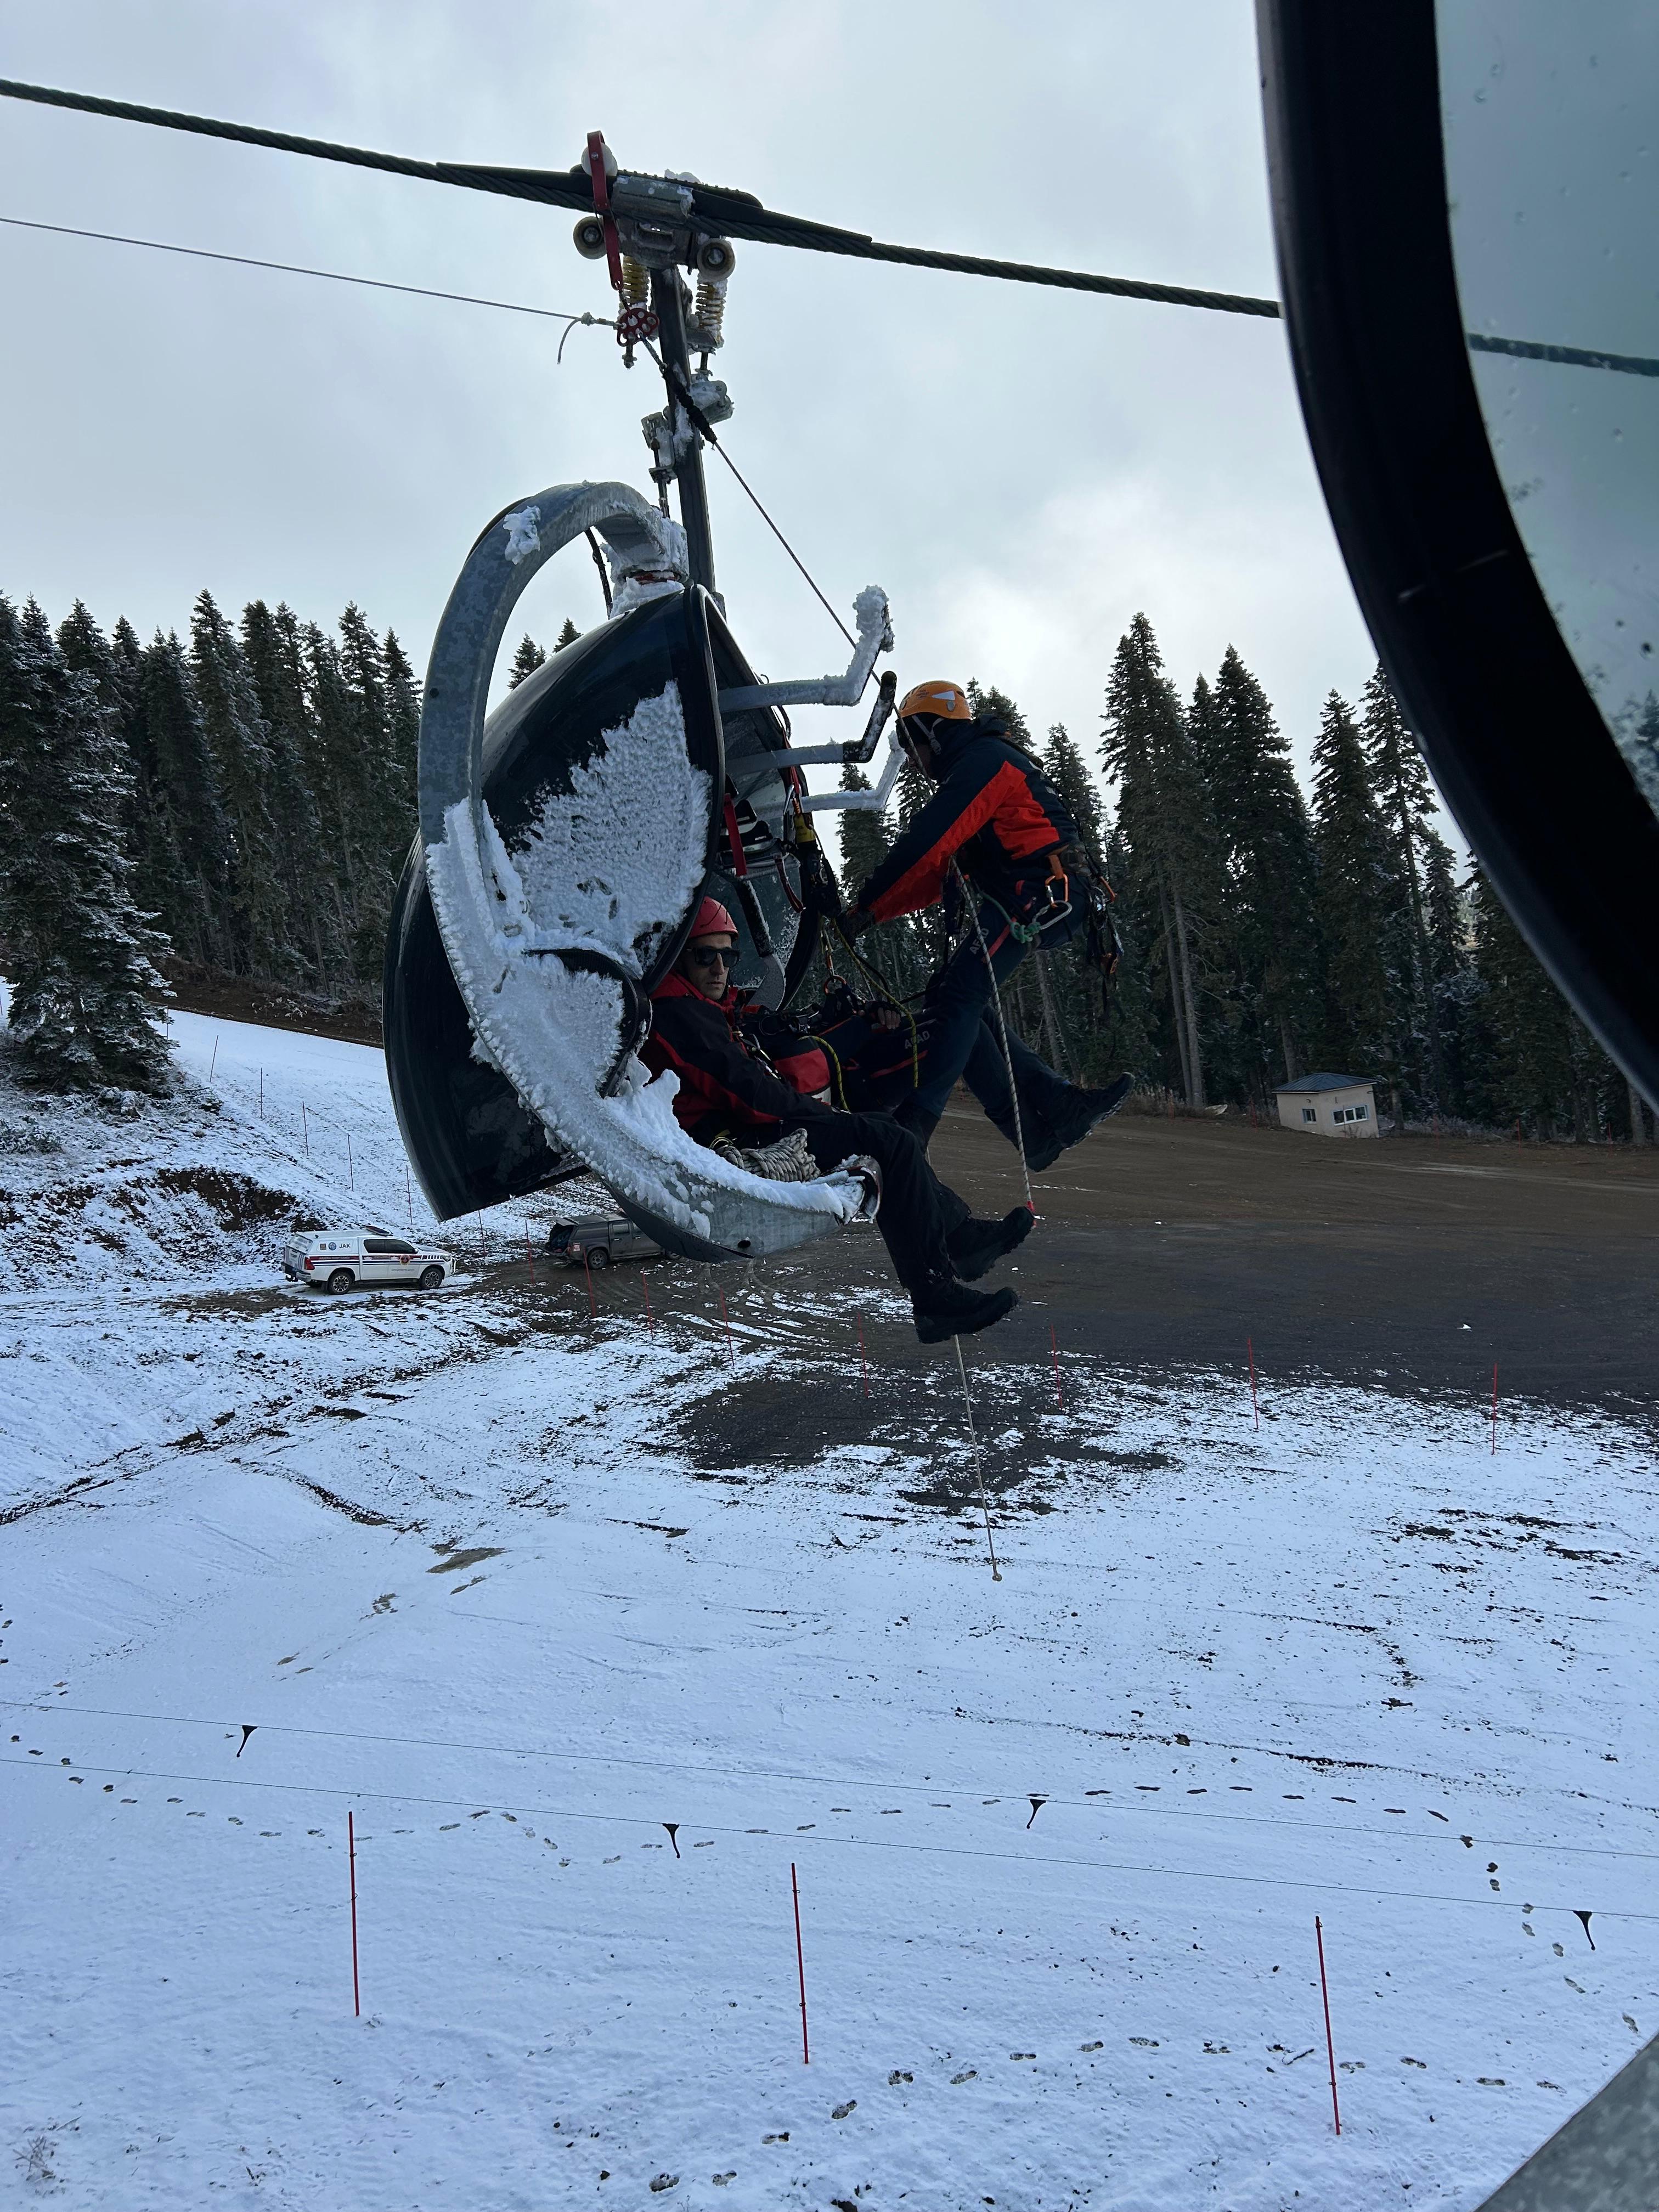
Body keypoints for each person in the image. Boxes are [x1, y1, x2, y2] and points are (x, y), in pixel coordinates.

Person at [641, 899, 1030, 1343]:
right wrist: (819, 1113)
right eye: (704, 955)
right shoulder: (680, 1013)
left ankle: (957, 1238)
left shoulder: (697, 1007)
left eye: (727, 956)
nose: (718, 968)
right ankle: (934, 1295)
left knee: (888, 1136)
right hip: (735, 1134)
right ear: (678, 956)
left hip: (738, 1120)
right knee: (892, 1142)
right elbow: (747, 1091)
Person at [847, 680, 1131, 1156]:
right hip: (1029, 893)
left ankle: (919, 1120)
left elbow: (927, 842)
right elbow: (937, 873)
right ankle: (1044, 1126)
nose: (911, 759)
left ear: (934, 733)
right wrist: (872, 913)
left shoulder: (985, 761)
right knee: (952, 998)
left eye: (909, 743)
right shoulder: (976, 766)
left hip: (1045, 890)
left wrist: (866, 904)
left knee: (960, 993)